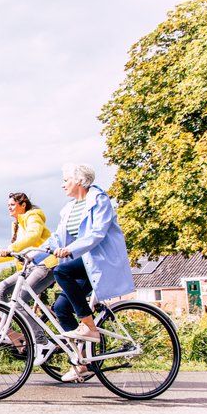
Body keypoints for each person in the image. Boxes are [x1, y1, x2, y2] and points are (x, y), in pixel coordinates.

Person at [47, 163, 134, 382]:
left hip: (99, 260)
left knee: (61, 271)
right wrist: (29, 253)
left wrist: (70, 249)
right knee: (60, 308)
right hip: (83, 262)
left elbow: (97, 233)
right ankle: (82, 362)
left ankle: (89, 326)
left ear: (79, 181)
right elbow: (57, 238)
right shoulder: (69, 208)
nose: (62, 184)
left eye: (66, 180)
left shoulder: (99, 200)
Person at [0, 192, 57, 345]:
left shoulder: (33, 217)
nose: (9, 208)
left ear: (22, 205)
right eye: (8, 206)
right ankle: (6, 330)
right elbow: (17, 251)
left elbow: (33, 237)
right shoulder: (16, 224)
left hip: (45, 264)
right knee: (0, 289)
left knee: (19, 301)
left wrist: (10, 248)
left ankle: (41, 342)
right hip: (29, 266)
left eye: (12, 205)